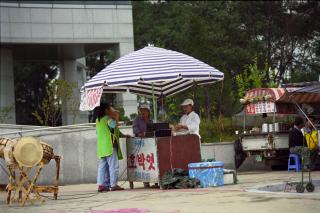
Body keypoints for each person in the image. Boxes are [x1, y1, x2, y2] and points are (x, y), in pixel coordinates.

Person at [95, 103, 127, 192]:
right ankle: (113, 185)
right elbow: (114, 126)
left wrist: (123, 135)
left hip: (101, 148)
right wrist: (116, 116)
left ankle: (101, 185)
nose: (112, 110)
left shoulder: (98, 120)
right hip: (110, 145)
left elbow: (113, 131)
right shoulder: (107, 119)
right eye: (110, 109)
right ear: (106, 110)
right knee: (113, 166)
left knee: (102, 167)